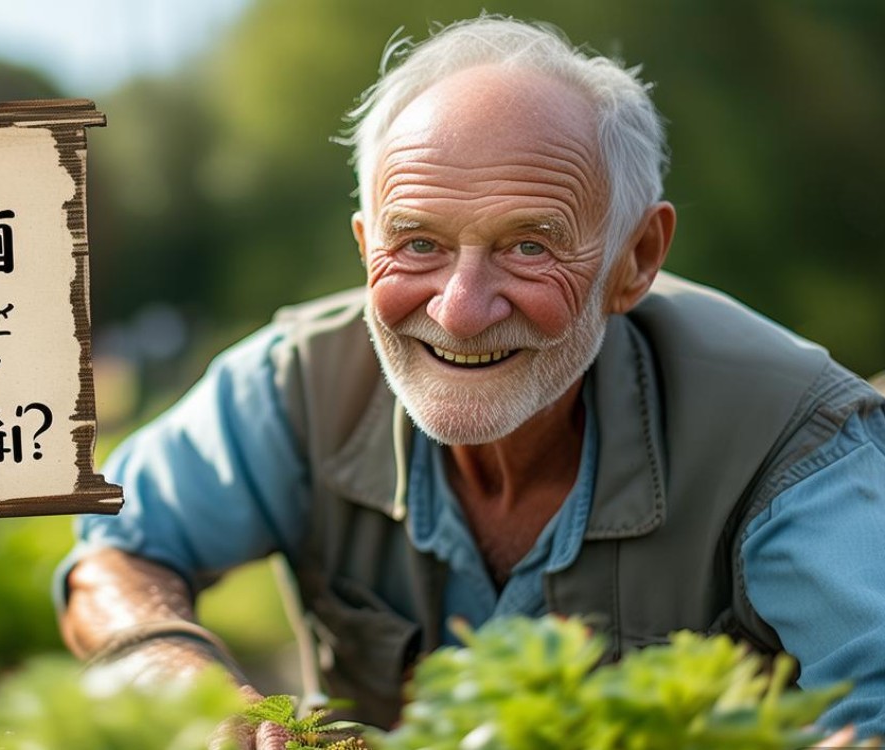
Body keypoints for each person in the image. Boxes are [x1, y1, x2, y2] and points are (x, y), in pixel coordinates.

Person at [55, 15, 885, 746]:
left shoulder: (788, 440)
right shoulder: (298, 383)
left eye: (529, 245)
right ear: (362, 242)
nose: (459, 312)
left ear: (634, 262)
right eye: (416, 243)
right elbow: (118, 553)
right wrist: (176, 676)